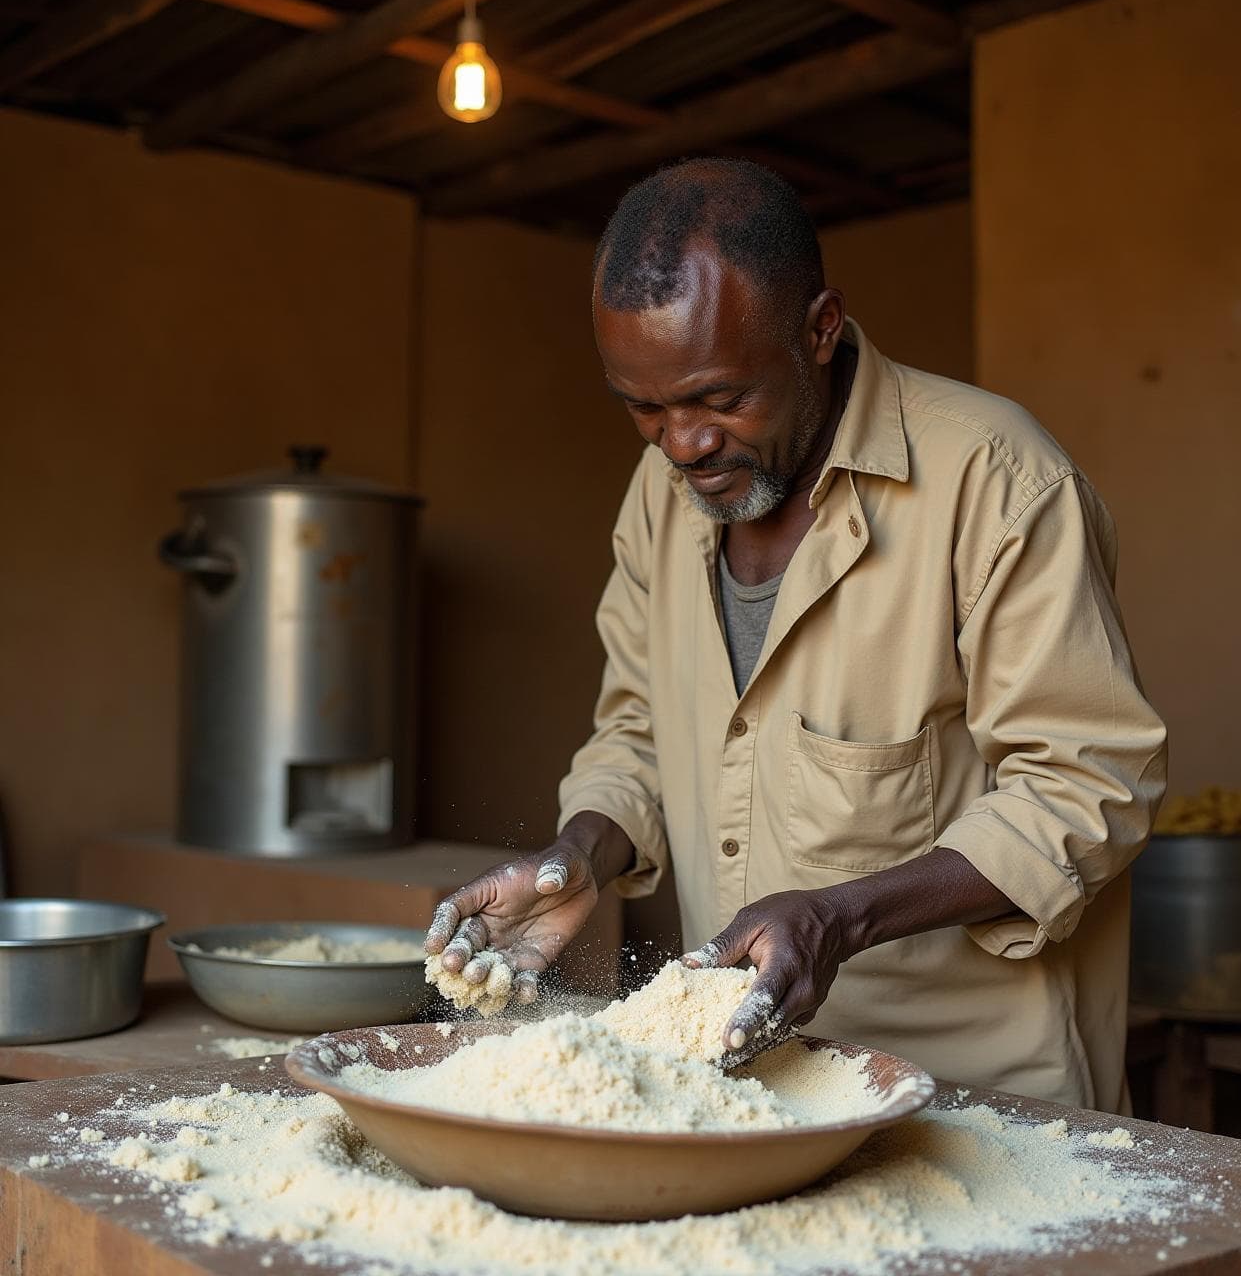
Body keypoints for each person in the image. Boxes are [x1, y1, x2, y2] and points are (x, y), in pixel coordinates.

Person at [425, 158, 1167, 1112]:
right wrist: (578, 855)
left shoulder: (997, 481)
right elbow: (639, 728)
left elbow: (1086, 783)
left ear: (820, 329)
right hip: (755, 1087)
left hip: (982, 1102)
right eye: (645, 408)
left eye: (721, 399)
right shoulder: (661, 495)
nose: (684, 444)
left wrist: (839, 918)